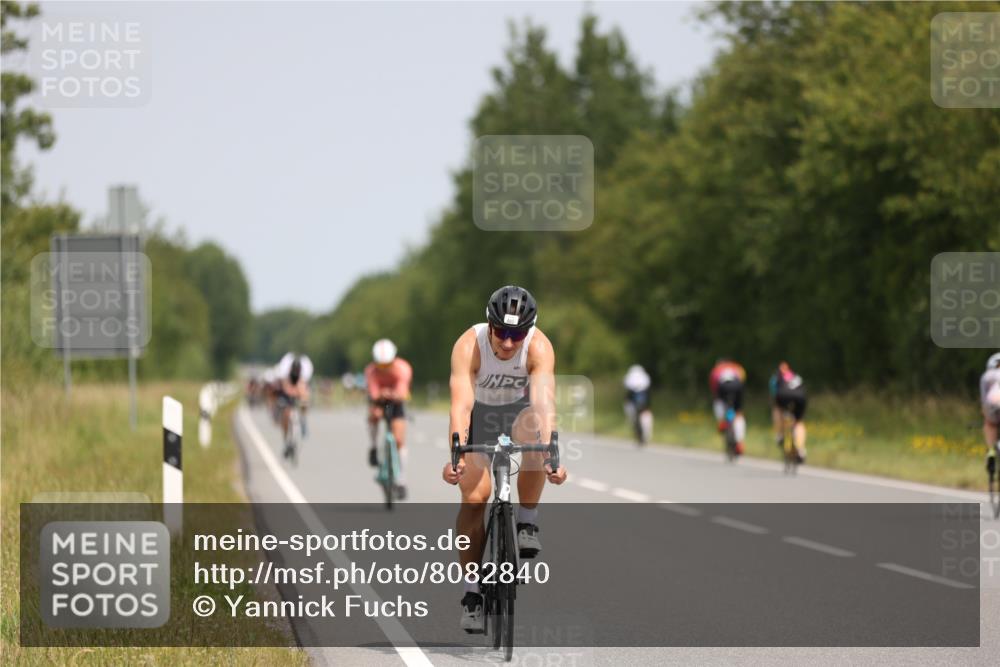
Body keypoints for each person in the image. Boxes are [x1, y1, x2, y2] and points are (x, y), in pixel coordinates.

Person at [441, 285, 567, 633]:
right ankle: (471, 594)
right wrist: (457, 453)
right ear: (489, 325)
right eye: (502, 332)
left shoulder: (538, 346)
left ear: (529, 332)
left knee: (536, 438)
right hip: (479, 415)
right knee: (474, 498)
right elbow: (461, 405)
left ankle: (526, 520)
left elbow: (544, 403)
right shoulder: (470, 345)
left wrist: (552, 452)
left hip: (519, 412)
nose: (509, 343)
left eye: (517, 334)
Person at [364, 339, 413, 498]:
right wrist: (380, 397)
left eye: (387, 365)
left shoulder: (403, 368)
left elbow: (401, 392)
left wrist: (392, 394)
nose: (383, 369)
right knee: (374, 415)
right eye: (381, 365)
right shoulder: (371, 371)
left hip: (397, 401)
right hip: (379, 401)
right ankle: (373, 446)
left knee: (399, 440)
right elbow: (373, 393)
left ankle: (401, 479)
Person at [769, 361, 808, 463]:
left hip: (783, 395)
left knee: (777, 410)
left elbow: (774, 393)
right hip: (800, 397)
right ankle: (801, 449)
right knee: (799, 422)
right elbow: (803, 389)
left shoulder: (776, 377)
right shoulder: (796, 376)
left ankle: (780, 435)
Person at [709, 358, 747, 456]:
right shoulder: (737, 367)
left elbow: (714, 390)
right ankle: (739, 442)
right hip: (737, 385)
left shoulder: (716, 370)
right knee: (738, 414)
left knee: (718, 401)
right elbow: (742, 380)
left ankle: (722, 421)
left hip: (723, 387)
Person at [276, 352, 313, 449]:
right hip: (288, 396)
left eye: (298, 369)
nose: (296, 370)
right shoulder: (286, 375)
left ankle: (303, 421)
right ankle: (285, 436)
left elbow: (303, 389)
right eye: (295, 369)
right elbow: (285, 387)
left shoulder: (302, 376)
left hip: (298, 395)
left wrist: (303, 397)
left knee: (304, 404)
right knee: (286, 413)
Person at [623, 364, 653, 445]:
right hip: (642, 405)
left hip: (638, 405)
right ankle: (642, 436)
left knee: (636, 420)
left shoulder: (630, 381)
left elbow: (627, 397)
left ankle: (641, 436)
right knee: (640, 419)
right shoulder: (645, 380)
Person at [981, 352, 1000, 476]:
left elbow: (984, 399)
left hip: (993, 403)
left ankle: (991, 452)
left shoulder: (987, 376)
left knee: (990, 424)